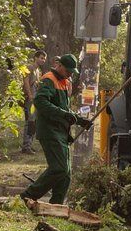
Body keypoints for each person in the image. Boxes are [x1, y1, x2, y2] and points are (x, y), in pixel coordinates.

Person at [20, 54, 92, 205]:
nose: (71, 74)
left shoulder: (64, 81)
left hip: (61, 132)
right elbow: (40, 102)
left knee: (66, 174)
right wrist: (64, 114)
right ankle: (28, 196)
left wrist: (80, 121)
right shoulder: (49, 79)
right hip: (49, 131)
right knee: (59, 168)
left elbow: (64, 109)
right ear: (59, 66)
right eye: (68, 71)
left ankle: (56, 206)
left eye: (72, 72)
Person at [21, 50, 47, 154]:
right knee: (30, 122)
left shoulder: (38, 70)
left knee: (33, 122)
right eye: (41, 58)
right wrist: (30, 96)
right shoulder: (29, 67)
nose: (43, 60)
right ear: (35, 57)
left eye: (44, 58)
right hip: (29, 99)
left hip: (35, 99)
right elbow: (26, 82)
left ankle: (28, 145)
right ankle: (26, 146)